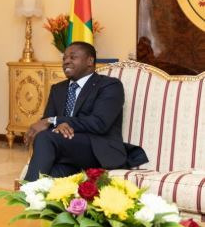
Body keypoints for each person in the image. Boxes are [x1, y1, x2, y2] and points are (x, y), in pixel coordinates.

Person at [23, 42, 147, 181]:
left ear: (90, 61)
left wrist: (58, 120)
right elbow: (45, 124)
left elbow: (99, 123)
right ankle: (29, 196)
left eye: (73, 57)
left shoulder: (109, 85)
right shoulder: (58, 89)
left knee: (45, 138)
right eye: (64, 58)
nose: (66, 61)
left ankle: (23, 194)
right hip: (68, 153)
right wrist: (57, 125)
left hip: (97, 150)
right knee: (50, 175)